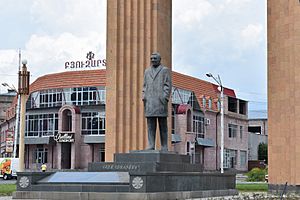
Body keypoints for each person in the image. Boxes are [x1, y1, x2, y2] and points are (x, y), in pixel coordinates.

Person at [142, 52, 172, 151]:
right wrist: (144, 96)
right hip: (150, 101)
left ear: (159, 60)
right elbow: (144, 86)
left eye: (155, 58)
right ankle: (151, 145)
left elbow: (168, 85)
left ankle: (164, 146)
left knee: (162, 125)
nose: (153, 60)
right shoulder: (147, 71)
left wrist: (165, 97)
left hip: (160, 102)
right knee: (150, 125)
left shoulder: (164, 70)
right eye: (151, 58)